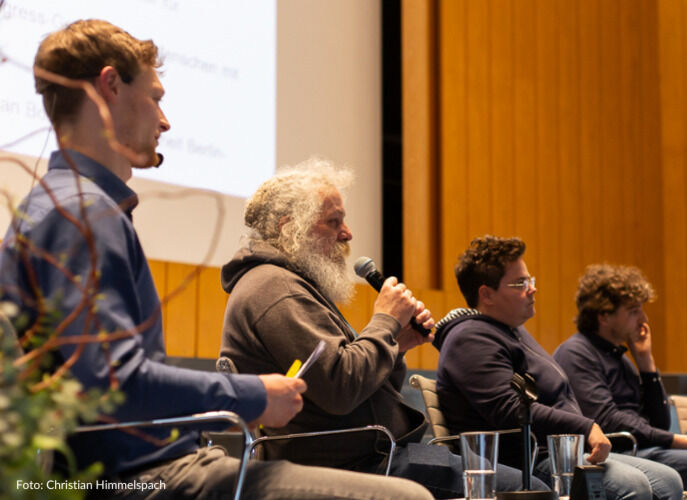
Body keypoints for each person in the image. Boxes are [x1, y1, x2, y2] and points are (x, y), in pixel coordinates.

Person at [0, 19, 430, 499]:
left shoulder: (61, 207)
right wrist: (253, 395)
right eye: (156, 98)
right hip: (133, 475)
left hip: (137, 463)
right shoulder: (81, 213)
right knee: (405, 497)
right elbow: (114, 384)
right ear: (110, 86)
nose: (165, 122)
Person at [219, 163, 545, 498]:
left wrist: (396, 346)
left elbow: (362, 390)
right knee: (527, 489)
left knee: (515, 479)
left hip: (377, 452)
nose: (347, 233)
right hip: (350, 463)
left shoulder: (289, 285)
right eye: (333, 222)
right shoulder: (275, 289)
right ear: (289, 228)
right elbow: (340, 389)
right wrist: (386, 321)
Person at [435, 235, 683, 500]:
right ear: (487, 294)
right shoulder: (470, 338)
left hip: (563, 452)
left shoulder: (512, 331)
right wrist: (586, 427)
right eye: (520, 283)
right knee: (632, 486)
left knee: (669, 481)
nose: (532, 289)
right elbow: (510, 410)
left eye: (530, 281)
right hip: (530, 462)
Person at [554, 264, 687, 497]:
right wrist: (678, 441)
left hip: (648, 444)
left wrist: (646, 362)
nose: (643, 319)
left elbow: (658, 422)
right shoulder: (576, 353)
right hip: (624, 451)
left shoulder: (621, 357)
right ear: (604, 315)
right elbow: (607, 421)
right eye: (633, 311)